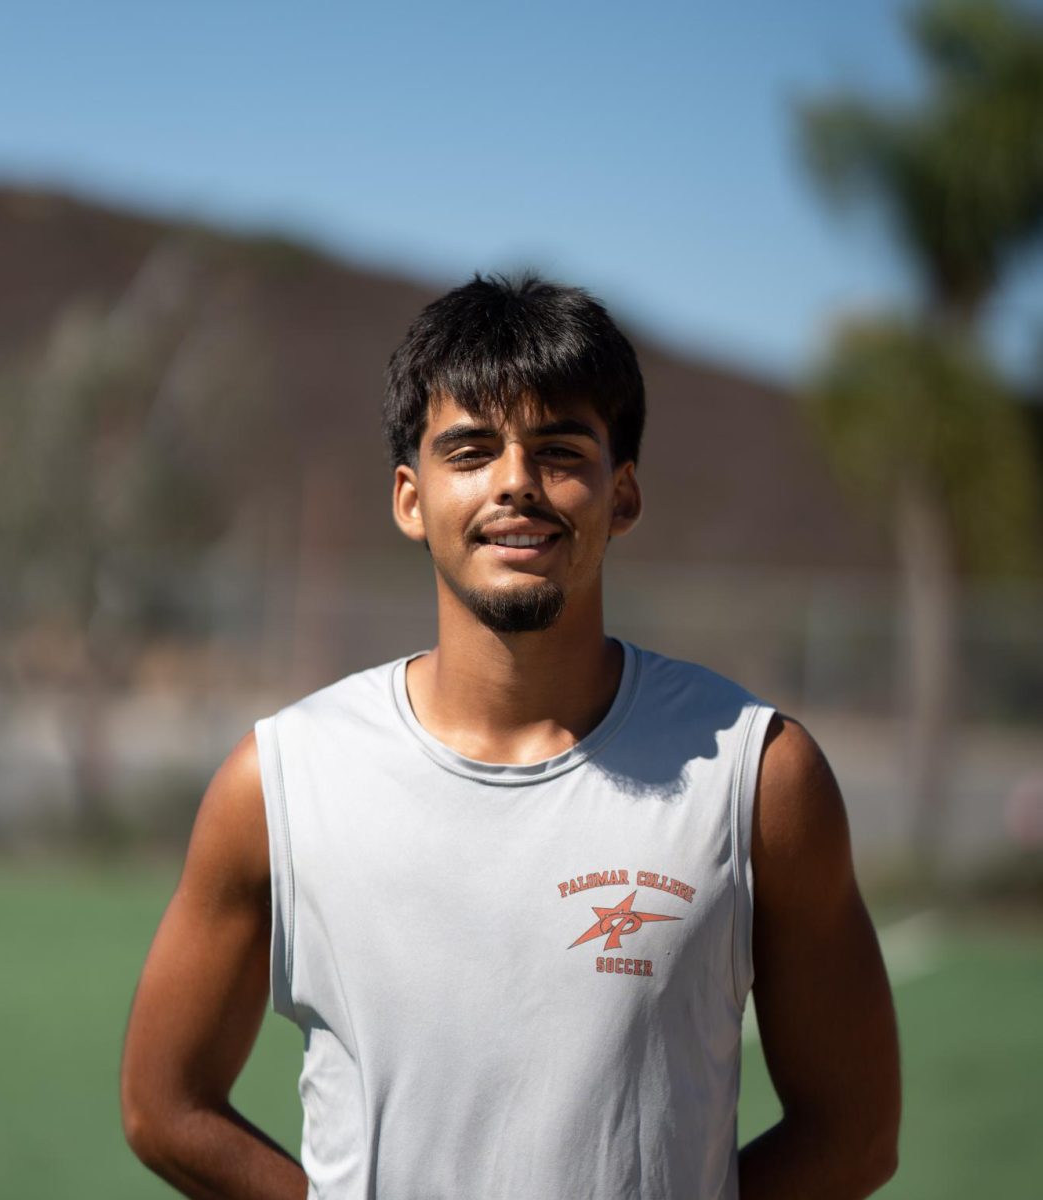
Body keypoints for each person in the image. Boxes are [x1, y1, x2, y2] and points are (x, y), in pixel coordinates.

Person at [121, 274, 901, 1199]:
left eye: (560, 449)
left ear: (625, 495)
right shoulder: (281, 781)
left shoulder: (760, 775)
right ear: (411, 499)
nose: (516, 483)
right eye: (471, 449)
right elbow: (164, 1107)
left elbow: (854, 1137)